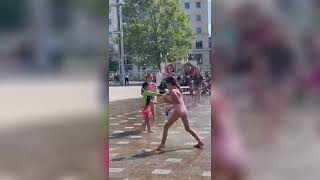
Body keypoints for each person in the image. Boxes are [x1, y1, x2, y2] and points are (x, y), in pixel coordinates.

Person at [156, 77, 204, 150]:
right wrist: (170, 107)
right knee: (187, 128)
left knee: (166, 126)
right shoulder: (177, 89)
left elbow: (177, 102)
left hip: (178, 111)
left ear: (169, 83)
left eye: (167, 84)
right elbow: (179, 103)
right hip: (183, 110)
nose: (166, 86)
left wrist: (166, 99)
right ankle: (199, 141)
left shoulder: (172, 91)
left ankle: (162, 144)